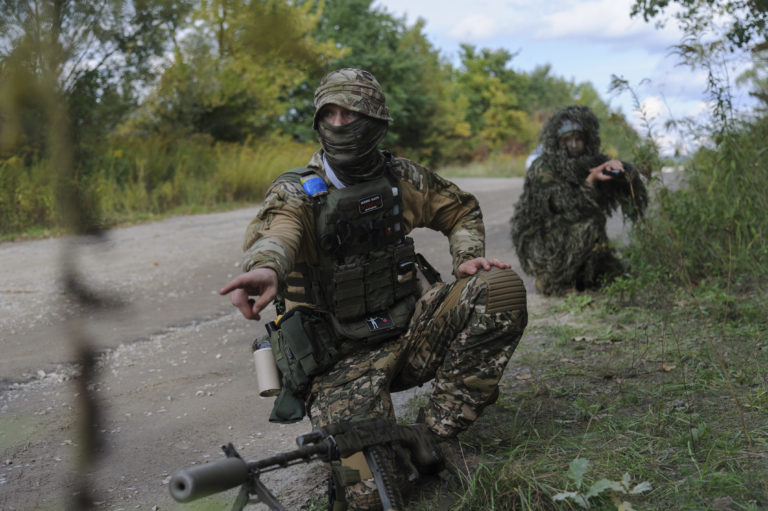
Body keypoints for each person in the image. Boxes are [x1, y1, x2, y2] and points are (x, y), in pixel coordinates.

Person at [219, 68, 528, 509]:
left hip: (409, 334)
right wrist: (266, 269)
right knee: (370, 496)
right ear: (318, 122)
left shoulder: (402, 177)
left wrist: (466, 257)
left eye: (351, 113)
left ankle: (431, 433)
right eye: (330, 113)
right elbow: (277, 235)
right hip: (337, 364)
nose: (339, 124)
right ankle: (376, 447)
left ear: (377, 121)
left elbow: (460, 210)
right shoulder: (297, 193)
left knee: (499, 288)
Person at [510, 105, 648, 296]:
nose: (574, 145)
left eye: (578, 139)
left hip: (570, 233)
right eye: (568, 140)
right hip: (544, 238)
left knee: (614, 275)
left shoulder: (589, 161)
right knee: (590, 224)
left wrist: (622, 169)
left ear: (587, 140)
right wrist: (590, 182)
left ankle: (582, 274)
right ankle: (551, 280)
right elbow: (566, 207)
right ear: (558, 142)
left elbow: (625, 185)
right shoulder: (544, 167)